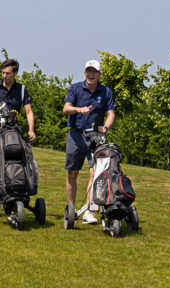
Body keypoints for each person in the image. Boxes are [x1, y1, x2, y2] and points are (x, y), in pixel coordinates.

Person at [0, 59, 36, 218]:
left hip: (12, 135)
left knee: (14, 165)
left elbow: (29, 112)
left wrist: (31, 130)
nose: (4, 76)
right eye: (3, 73)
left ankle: (11, 199)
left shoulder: (22, 90)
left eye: (8, 73)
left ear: (15, 73)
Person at [63, 60, 115, 224]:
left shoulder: (105, 91)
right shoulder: (75, 88)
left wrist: (105, 127)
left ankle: (89, 210)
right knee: (73, 173)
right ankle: (71, 209)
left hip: (96, 138)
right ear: (85, 72)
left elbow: (111, 114)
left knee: (95, 173)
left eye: (94, 71)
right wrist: (79, 109)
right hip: (76, 135)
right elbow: (66, 109)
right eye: (88, 71)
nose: (91, 74)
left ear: (99, 74)